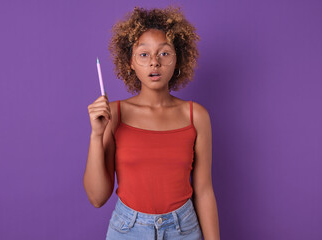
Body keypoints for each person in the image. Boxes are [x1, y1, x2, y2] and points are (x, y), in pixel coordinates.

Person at [84, 6, 220, 240]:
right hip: (128, 230)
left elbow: (204, 191)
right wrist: (96, 135)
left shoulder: (196, 116)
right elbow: (97, 198)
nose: (154, 62)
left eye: (164, 53)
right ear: (130, 62)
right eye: (144, 54)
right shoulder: (114, 114)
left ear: (178, 59)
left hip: (183, 230)